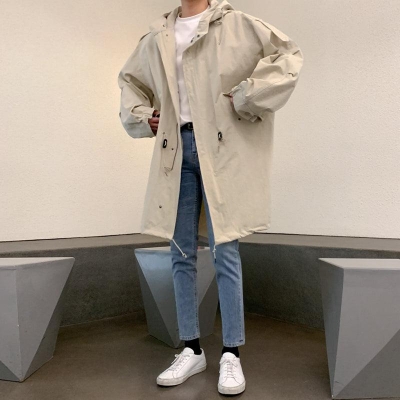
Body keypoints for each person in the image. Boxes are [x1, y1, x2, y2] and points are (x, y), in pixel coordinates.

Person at [118, 0, 303, 395]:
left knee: (225, 250)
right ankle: (191, 348)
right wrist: (143, 115)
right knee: (180, 252)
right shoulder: (157, 35)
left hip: (220, 149)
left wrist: (247, 96)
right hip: (176, 149)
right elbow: (130, 81)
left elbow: (287, 57)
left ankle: (231, 352)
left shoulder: (237, 24)